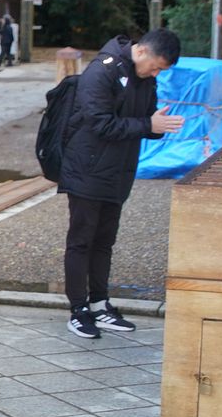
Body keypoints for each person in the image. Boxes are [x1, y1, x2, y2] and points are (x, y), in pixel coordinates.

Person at [59, 29, 182, 338]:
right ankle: (78, 309)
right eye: (155, 67)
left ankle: (100, 304)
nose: (156, 74)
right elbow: (99, 122)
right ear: (141, 52)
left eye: (160, 71)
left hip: (118, 171)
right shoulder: (102, 71)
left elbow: (143, 121)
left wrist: (157, 125)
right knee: (81, 239)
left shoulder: (144, 78)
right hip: (87, 168)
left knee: (104, 241)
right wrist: (147, 124)